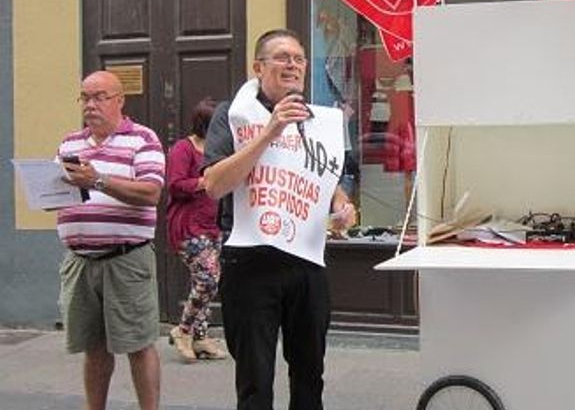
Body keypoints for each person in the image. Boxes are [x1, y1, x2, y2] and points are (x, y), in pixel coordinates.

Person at [203, 28, 357, 410]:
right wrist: (270, 131)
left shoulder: (318, 120)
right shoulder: (233, 115)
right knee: (255, 381)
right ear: (258, 67)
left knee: (310, 375)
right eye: (282, 57)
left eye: (299, 59)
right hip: (251, 261)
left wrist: (342, 206)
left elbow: (329, 182)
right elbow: (214, 185)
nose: (293, 65)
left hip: (306, 260)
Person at [56, 71, 165, 410]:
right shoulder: (69, 144)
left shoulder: (143, 139)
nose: (90, 105)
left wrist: (98, 180)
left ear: (120, 100)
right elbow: (59, 191)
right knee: (93, 346)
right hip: (79, 260)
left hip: (126, 258)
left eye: (99, 97)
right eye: (85, 98)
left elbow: (150, 193)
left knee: (138, 344)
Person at [165, 97, 228, 362]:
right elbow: (175, 184)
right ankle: (183, 330)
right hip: (189, 226)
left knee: (202, 281)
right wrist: (206, 182)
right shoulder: (184, 148)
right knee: (208, 278)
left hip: (213, 225)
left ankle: (200, 338)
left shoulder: (218, 151)